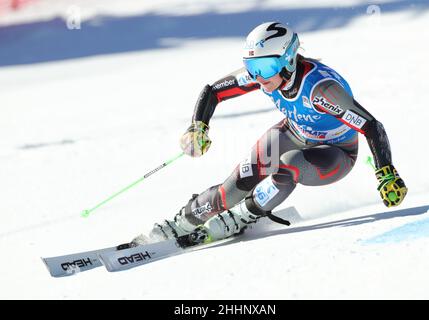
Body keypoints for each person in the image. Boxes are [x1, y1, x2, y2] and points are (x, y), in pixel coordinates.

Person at [131, 21, 408, 246]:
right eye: (253, 67)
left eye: (265, 68)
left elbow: (371, 126)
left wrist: (386, 173)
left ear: (288, 60)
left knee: (289, 163)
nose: (259, 77)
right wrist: (198, 126)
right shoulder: (265, 73)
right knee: (235, 185)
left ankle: (242, 216)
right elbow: (213, 91)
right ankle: (181, 222)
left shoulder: (320, 90)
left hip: (335, 154)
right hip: (292, 133)